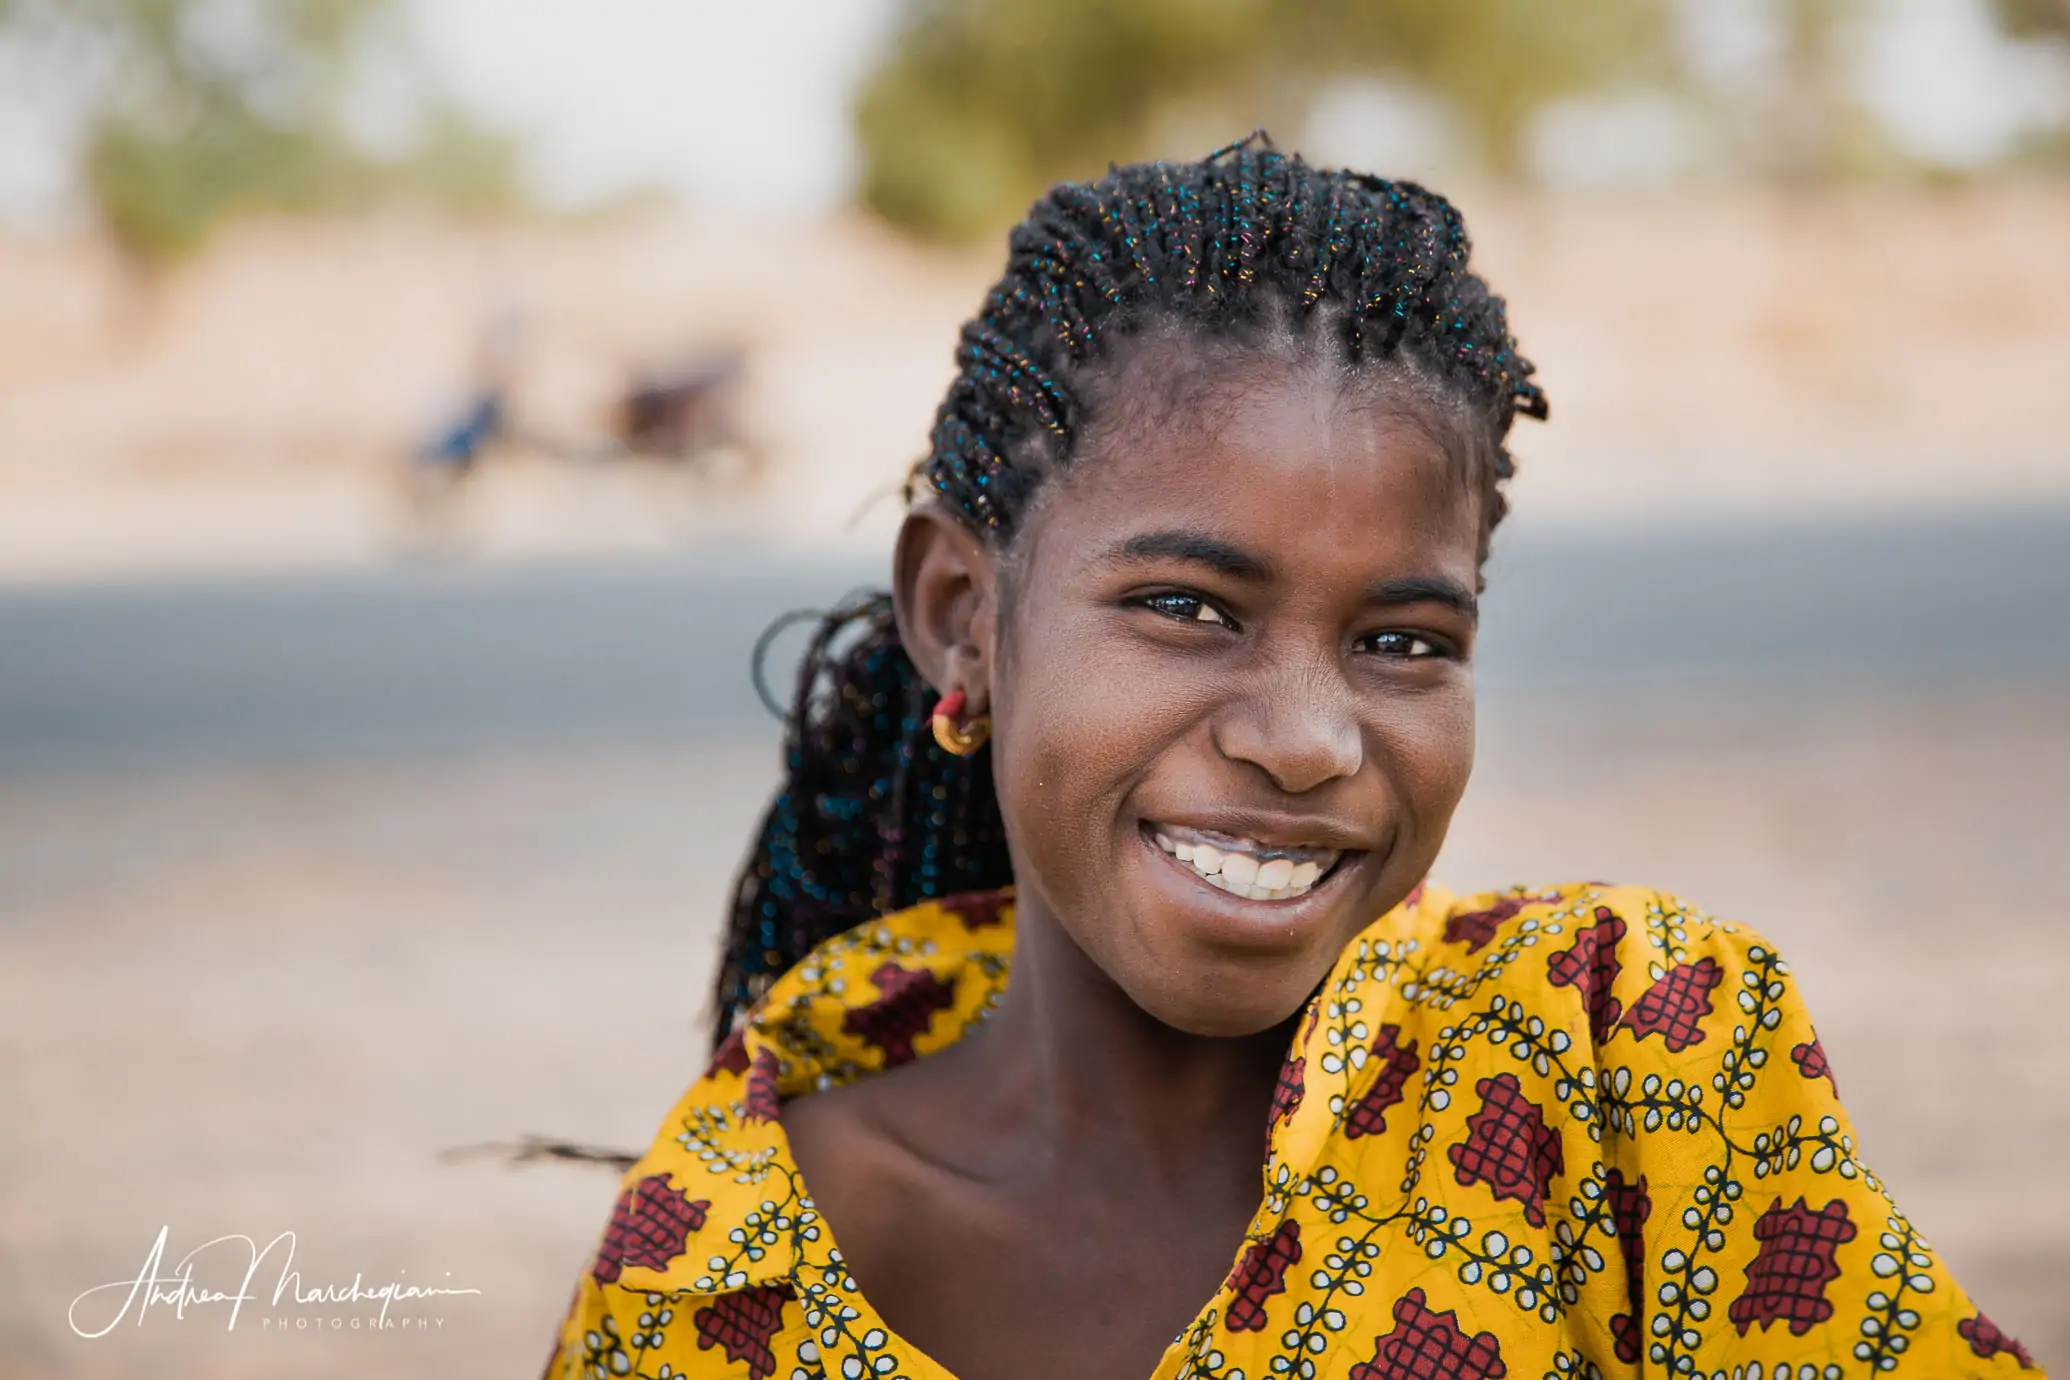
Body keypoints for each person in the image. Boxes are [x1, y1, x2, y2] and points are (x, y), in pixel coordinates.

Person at [543, 138, 2042, 1380]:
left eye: (1401, 641)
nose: (1308, 741)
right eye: (1185, 609)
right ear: (962, 617)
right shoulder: (718, 1266)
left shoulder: (1620, 1062)